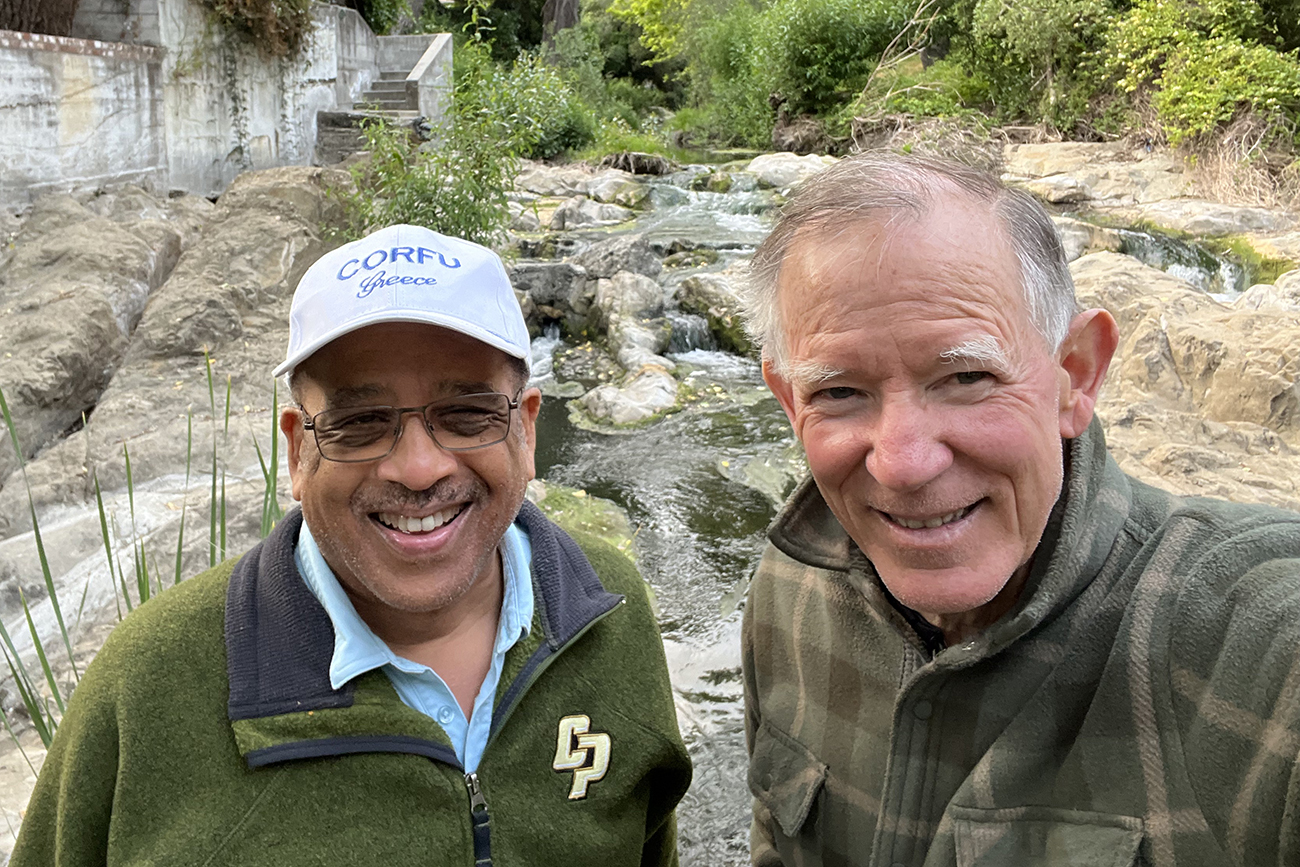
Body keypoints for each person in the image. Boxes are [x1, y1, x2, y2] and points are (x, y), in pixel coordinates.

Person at [12, 224, 691, 866]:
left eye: (467, 414)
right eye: (360, 422)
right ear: (297, 450)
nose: (419, 469)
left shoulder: (611, 616)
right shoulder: (145, 689)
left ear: (528, 431)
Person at [738, 153, 1300, 867]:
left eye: (966, 376)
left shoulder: (1252, 651)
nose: (904, 462)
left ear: (1075, 373)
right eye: (839, 392)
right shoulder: (789, 587)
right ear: (789, 401)